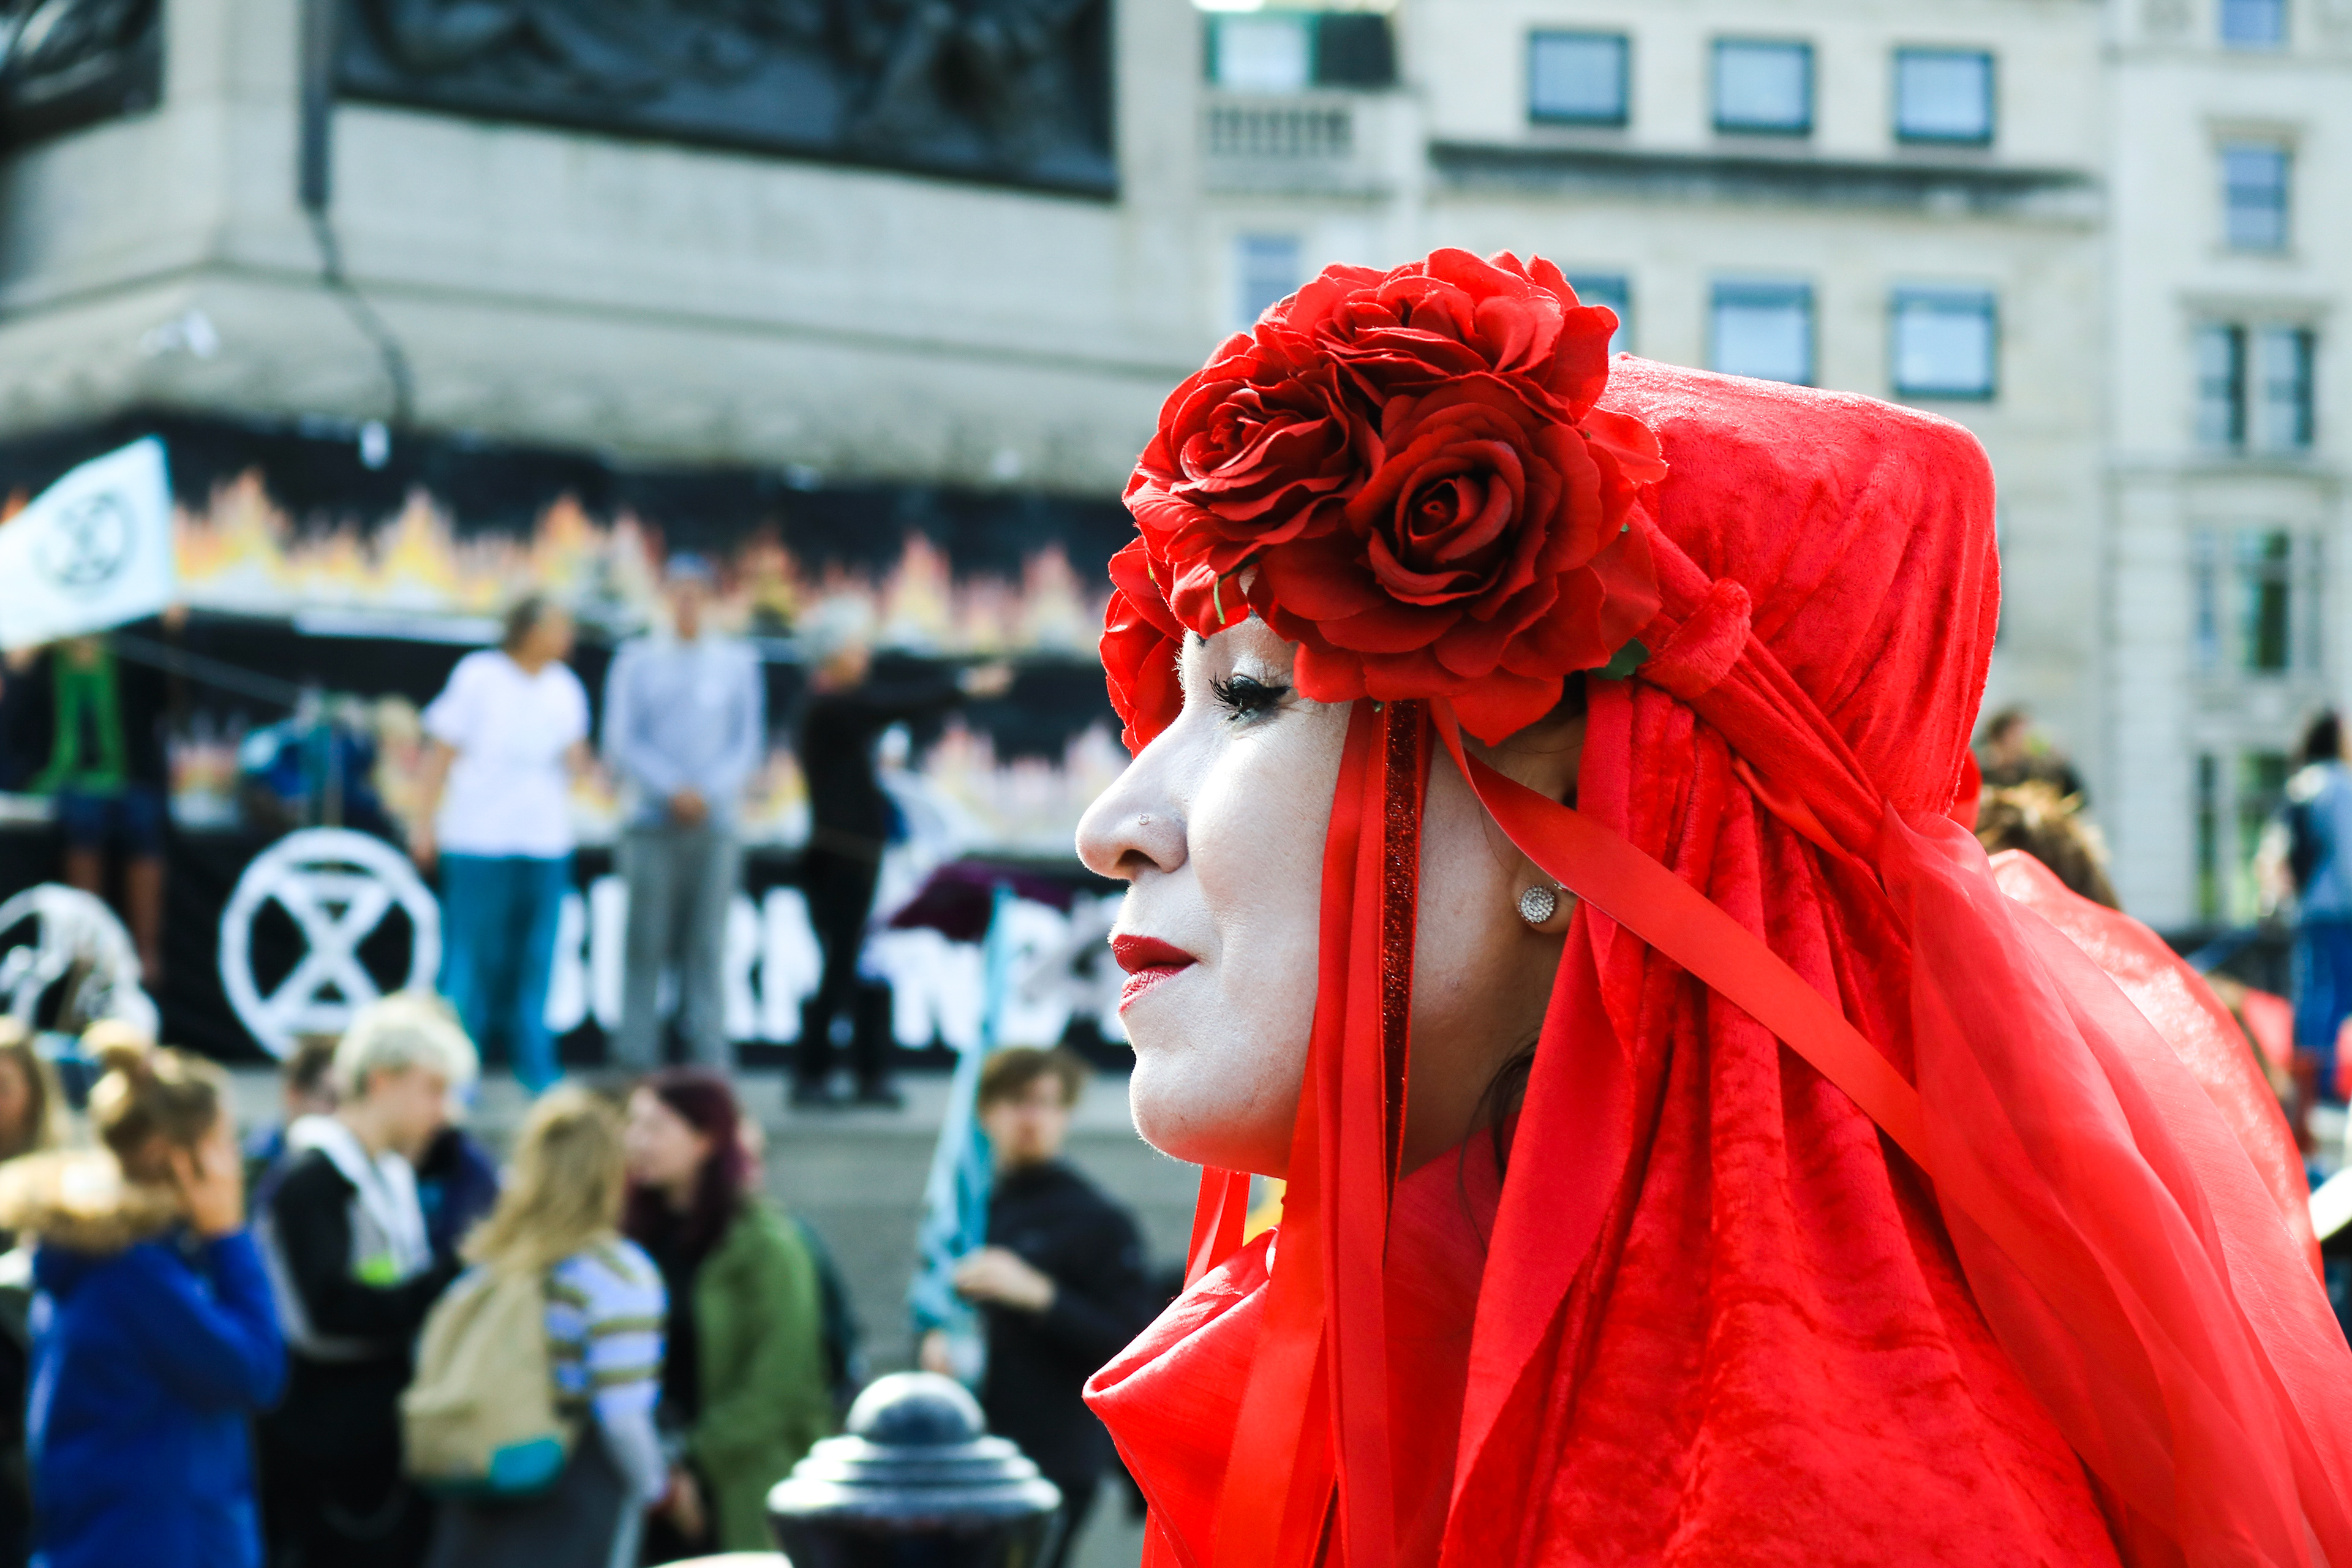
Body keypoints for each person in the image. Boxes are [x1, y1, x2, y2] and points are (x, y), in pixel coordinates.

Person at [1072, 251, 2352, 1564]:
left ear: (1597, 813)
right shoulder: (1438, 1359)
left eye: (1245, 695)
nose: (1109, 823)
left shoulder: (1831, 1514)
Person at [0, 1037, 283, 1568]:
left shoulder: (129, 1263)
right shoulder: (135, 1276)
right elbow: (257, 1370)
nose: (234, 1162)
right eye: (223, 1141)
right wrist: (228, 1235)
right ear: (175, 1159)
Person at [257, 992, 475, 1568]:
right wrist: (451, 1279)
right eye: (433, 1089)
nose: (445, 1111)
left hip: (378, 1456)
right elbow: (330, 1313)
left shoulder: (392, 1174)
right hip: (324, 1466)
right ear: (381, 1081)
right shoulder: (310, 1179)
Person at [919, 1048, 1151, 1568]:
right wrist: (935, 1343)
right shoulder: (967, 1211)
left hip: (1054, 1458)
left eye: (1047, 1103)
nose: (1032, 1118)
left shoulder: (1096, 1218)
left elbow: (1134, 1346)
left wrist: (1037, 1294)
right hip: (971, 1451)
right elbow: (933, 1305)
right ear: (985, 1112)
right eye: (1017, 1101)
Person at [423, 1087, 666, 1568]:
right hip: (570, 1493)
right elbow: (622, 1417)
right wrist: (657, 1489)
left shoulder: (487, 1265)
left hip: (477, 1482)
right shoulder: (618, 1274)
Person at [794, 617, 1011, 1106]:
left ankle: (866, 1072)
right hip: (842, 855)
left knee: (869, 963)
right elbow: (891, 705)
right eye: (853, 648)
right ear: (830, 655)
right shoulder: (829, 708)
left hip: (863, 853)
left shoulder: (836, 710)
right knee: (842, 963)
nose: (864, 658)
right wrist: (964, 686)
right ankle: (816, 1072)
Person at [620, 1070, 831, 1557]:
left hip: (735, 1485)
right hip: (645, 1486)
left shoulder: (768, 1246)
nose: (636, 1141)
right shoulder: (628, 1240)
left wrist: (690, 1461)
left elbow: (780, 1385)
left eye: (656, 1127)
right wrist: (657, 1474)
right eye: (633, 1125)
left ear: (706, 1139)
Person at [410, 597, 590, 1091]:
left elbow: (579, 763)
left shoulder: (565, 688)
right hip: (477, 839)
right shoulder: (478, 675)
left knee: (536, 958)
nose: (566, 638)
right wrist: (423, 822)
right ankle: (454, 1076)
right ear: (529, 629)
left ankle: (537, 1070)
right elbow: (439, 755)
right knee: (469, 960)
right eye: (558, 626)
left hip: (545, 841)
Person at [603, 554, 766, 1071]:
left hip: (715, 826)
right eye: (678, 591)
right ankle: (635, 1058)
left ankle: (708, 1061)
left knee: (709, 946)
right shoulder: (637, 660)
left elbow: (747, 744)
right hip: (650, 825)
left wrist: (707, 792)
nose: (687, 603)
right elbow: (621, 740)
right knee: (645, 944)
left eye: (698, 592)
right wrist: (671, 789)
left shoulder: (737, 662)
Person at [15, 625, 178, 982]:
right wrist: (16, 671)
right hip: (64, 780)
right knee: (84, 818)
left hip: (128, 778)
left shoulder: (133, 656)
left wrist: (174, 636)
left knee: (142, 819)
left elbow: (172, 697)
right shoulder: (43, 660)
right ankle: (87, 945)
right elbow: (18, 725)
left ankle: (145, 953)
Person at [2285, 711, 2352, 1099]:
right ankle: (2326, 1083)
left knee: (2312, 994)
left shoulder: (2302, 784)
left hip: (2309, 906)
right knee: (2337, 993)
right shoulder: (2339, 786)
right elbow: (2347, 852)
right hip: (2338, 907)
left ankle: (2308, 1081)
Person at [242, 1035, 339, 1191]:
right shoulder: (257, 1160)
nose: (339, 1113)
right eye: (331, 1099)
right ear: (294, 1094)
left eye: (347, 1101)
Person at [1976, 703, 2087, 801]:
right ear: (1997, 738)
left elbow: (2078, 798)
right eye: (2015, 733)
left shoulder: (2045, 772)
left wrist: (2060, 759)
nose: (2023, 738)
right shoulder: (1984, 774)